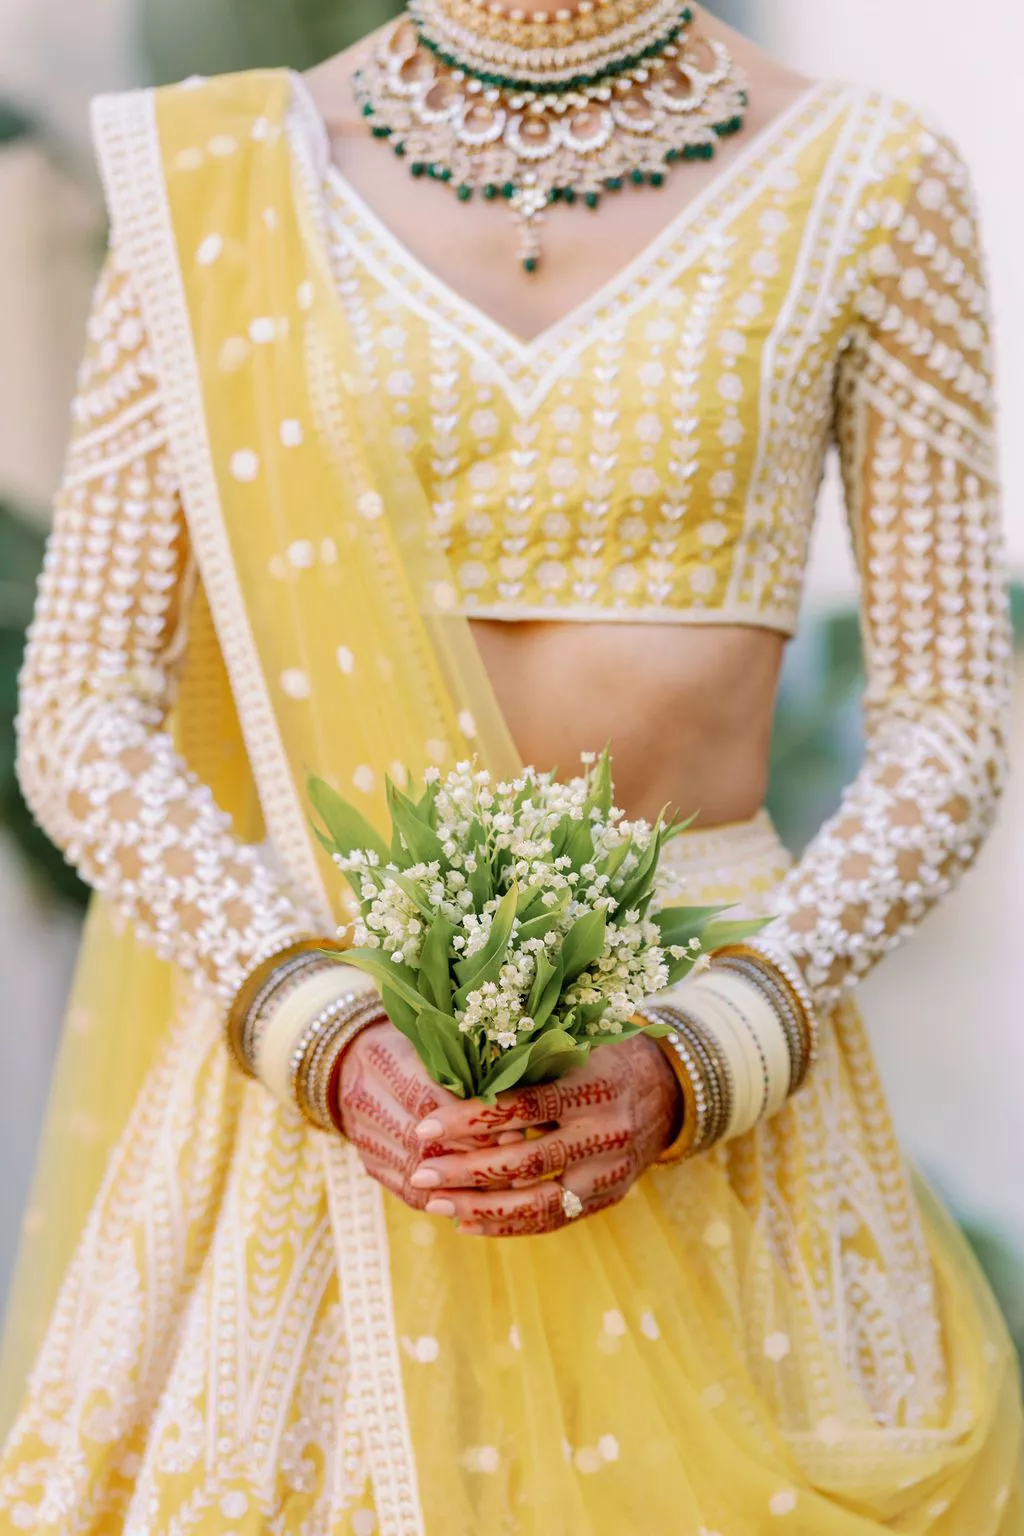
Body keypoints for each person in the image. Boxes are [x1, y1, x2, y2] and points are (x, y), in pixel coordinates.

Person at [0, 0, 1021, 1529]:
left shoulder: (870, 179)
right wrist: (326, 1029)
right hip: (332, 1090)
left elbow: (953, 723)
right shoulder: (227, 178)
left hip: (705, 1060)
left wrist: (706, 1051)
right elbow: (81, 706)